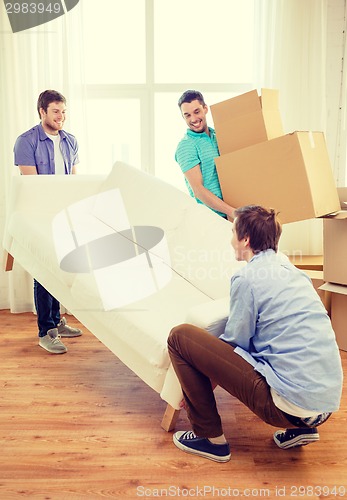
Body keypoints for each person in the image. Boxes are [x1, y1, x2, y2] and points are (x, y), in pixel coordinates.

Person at [168, 205, 343, 463]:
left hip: (290, 408)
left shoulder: (247, 279)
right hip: (324, 406)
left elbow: (234, 345)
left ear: (246, 239)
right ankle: (303, 429)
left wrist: (196, 385)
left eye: (232, 233)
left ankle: (210, 439)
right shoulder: (295, 274)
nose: (230, 240)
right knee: (291, 350)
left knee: (179, 336)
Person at [14, 89, 83, 354]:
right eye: (55, 111)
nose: (61, 117)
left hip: (64, 215)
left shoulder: (70, 141)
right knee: (43, 272)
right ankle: (46, 332)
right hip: (39, 216)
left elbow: (74, 180)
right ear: (42, 111)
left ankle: (56, 322)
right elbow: (32, 188)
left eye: (63, 111)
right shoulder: (26, 141)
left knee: (59, 269)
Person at [175, 89, 235, 220]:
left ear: (205, 109)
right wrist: (233, 212)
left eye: (197, 112)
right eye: (187, 115)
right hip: (210, 218)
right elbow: (198, 191)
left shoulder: (218, 136)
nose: (194, 119)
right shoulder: (186, 146)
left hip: (231, 214)